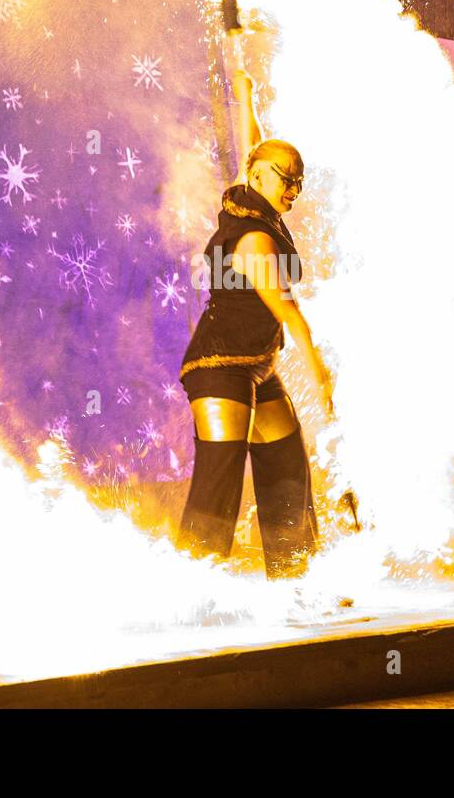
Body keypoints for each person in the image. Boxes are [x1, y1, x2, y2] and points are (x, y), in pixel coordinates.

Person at [177, 69, 334, 578]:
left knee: (287, 459)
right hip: (220, 364)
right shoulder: (253, 239)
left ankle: (295, 576)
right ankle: (195, 581)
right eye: (288, 178)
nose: (296, 188)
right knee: (221, 470)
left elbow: (254, 148)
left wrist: (244, 95)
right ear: (262, 176)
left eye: (300, 179)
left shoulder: (257, 201)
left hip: (257, 366)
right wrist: (321, 370)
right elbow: (285, 307)